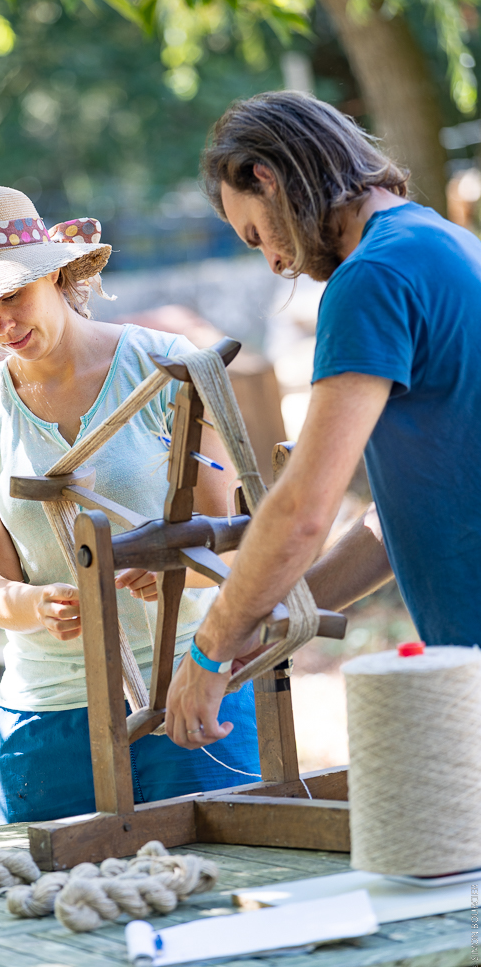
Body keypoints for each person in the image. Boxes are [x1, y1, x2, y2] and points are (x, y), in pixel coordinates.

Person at [0, 185, 261, 823]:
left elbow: (230, 528)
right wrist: (39, 605)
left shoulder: (167, 366)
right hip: (50, 718)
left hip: (189, 685)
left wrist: (175, 559)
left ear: (56, 271)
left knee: (222, 885)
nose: (0, 324)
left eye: (12, 295)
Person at [166, 90, 481, 750]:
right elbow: (408, 510)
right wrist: (276, 608)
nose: (275, 262)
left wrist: (208, 651)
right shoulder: (440, 241)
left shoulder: (371, 277)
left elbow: (303, 510)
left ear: (267, 177)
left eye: (256, 235)